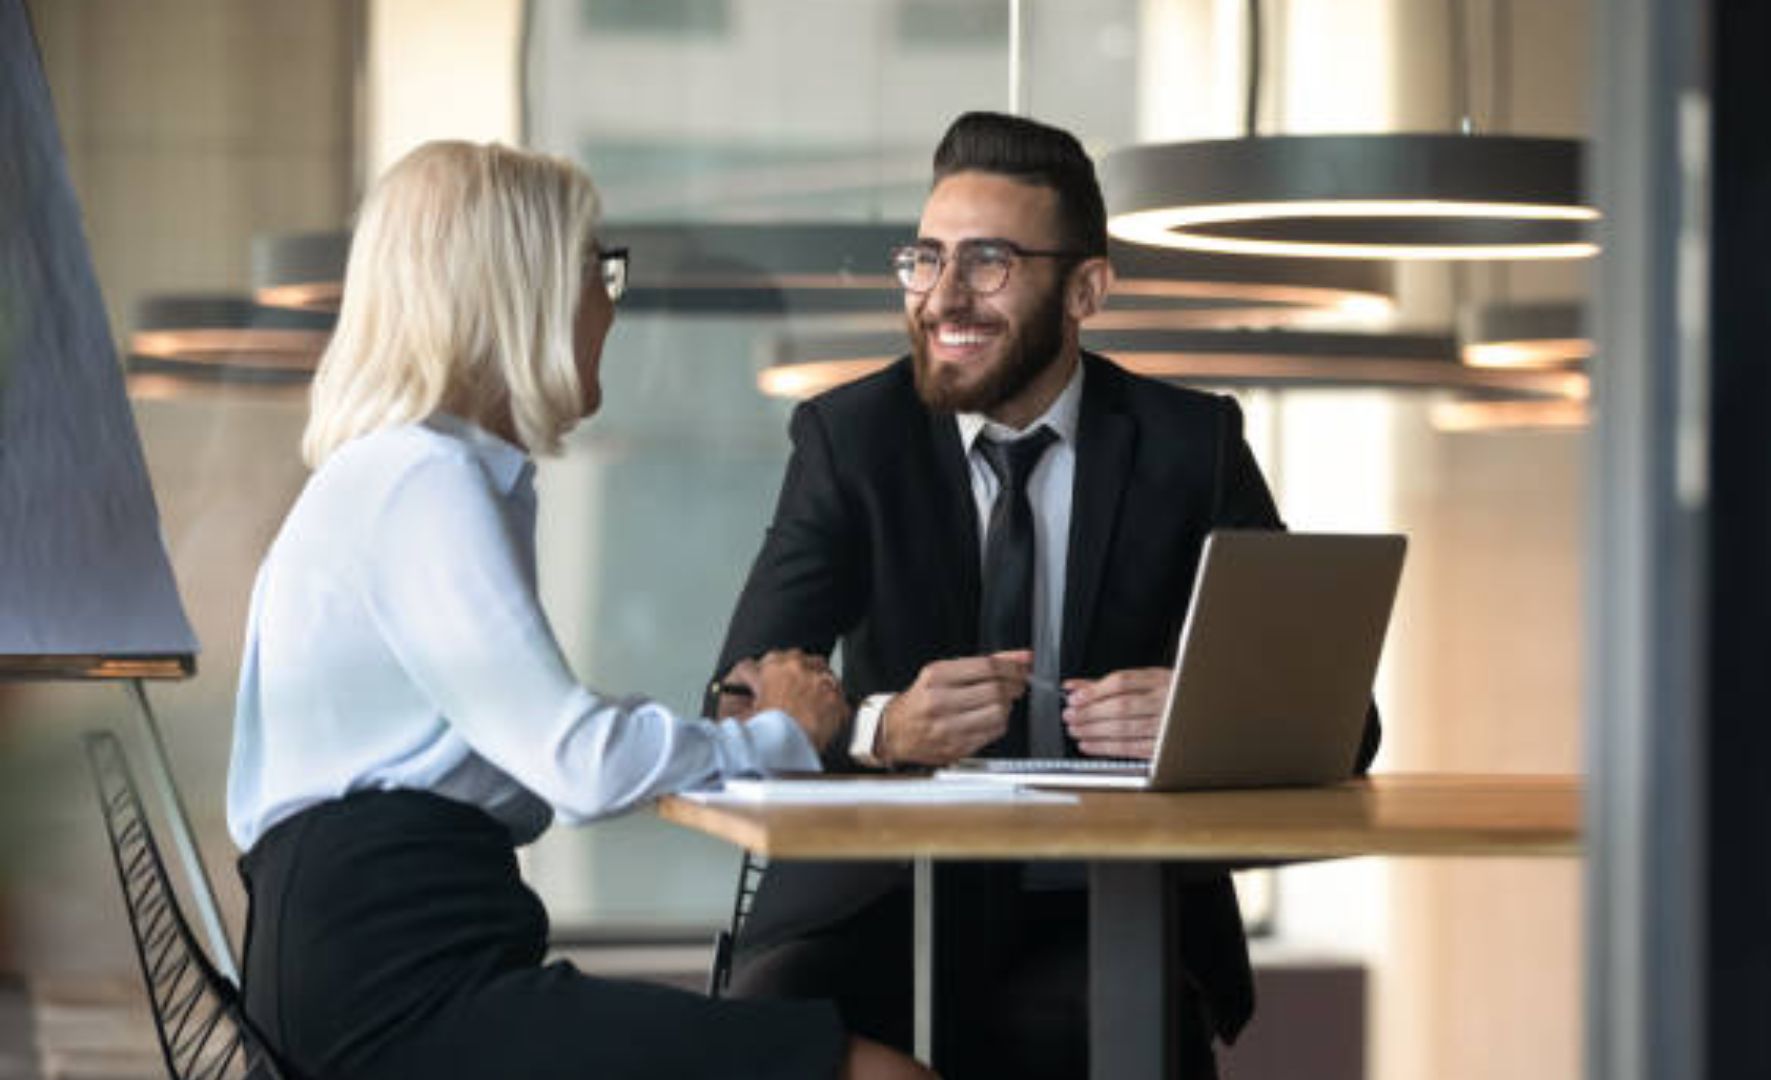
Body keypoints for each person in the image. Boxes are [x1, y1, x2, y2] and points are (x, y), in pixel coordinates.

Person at [225, 140, 932, 1080]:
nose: (609, 302)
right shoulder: (422, 482)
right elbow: (577, 769)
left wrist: (683, 734)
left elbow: (530, 765)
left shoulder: (400, 475)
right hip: (401, 988)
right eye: (597, 270)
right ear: (522, 290)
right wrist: (778, 738)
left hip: (369, 961)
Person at [707, 112, 1382, 1078]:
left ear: (1086, 289)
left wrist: (1202, 714)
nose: (945, 297)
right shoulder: (851, 440)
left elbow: (1344, 724)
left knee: (1116, 1025)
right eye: (927, 259)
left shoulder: (1192, 446)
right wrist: (881, 727)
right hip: (877, 902)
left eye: (988, 263)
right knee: (776, 1030)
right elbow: (731, 699)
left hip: (1110, 906)